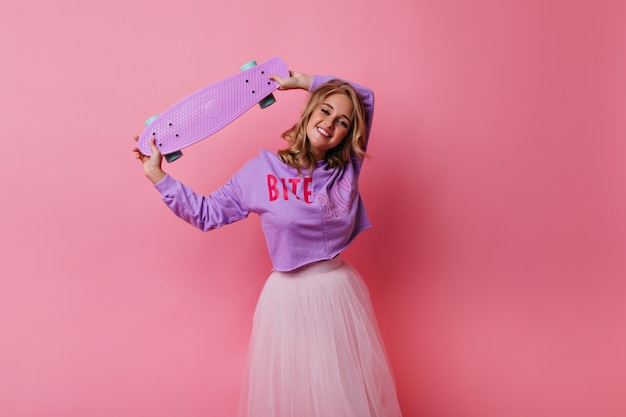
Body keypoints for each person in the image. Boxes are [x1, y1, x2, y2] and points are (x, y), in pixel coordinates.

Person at [133, 69, 403, 417]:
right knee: (298, 399)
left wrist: (304, 80)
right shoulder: (261, 171)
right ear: (309, 111)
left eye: (342, 122)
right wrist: (158, 176)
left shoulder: (344, 169)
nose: (330, 124)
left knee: (341, 397)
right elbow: (207, 213)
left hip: (336, 293)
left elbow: (364, 98)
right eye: (324, 110)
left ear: (346, 135)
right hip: (287, 300)